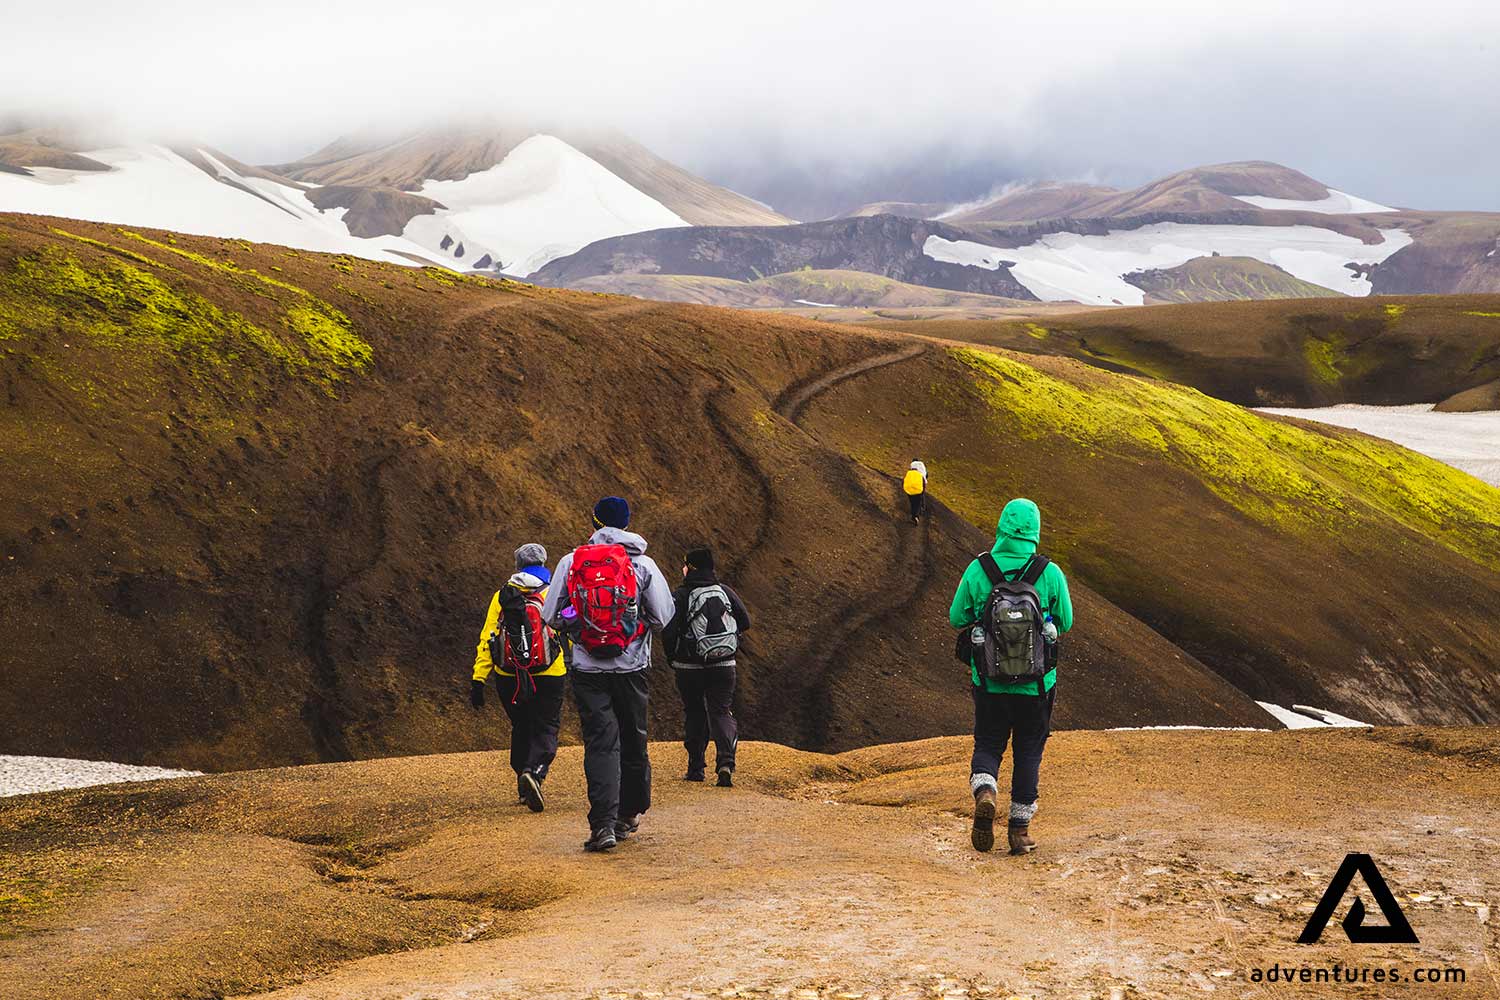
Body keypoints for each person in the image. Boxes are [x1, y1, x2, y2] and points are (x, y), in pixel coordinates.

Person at [543, 496, 674, 853]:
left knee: (601, 743)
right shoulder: (643, 564)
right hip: (632, 667)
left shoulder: (572, 562)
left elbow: (551, 616)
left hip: (588, 669)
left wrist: (580, 628)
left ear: (595, 522)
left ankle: (602, 825)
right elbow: (663, 617)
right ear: (627, 524)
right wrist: (633, 627)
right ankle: (627, 815)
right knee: (633, 739)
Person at [949, 498, 1073, 855]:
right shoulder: (1049, 572)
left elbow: (957, 617)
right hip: (1037, 686)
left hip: (989, 681)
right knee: (1029, 751)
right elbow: (1066, 621)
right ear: (1035, 530)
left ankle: (986, 791)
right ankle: (1019, 832)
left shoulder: (980, 569)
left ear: (1002, 525)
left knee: (989, 743)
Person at [469, 543, 566, 813]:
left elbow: (488, 637)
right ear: (543, 563)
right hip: (549, 672)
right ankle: (534, 772)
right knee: (546, 726)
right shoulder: (552, 592)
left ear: (518, 565)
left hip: (509, 675)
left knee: (521, 725)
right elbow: (565, 626)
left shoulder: (502, 595)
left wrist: (479, 678)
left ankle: (522, 783)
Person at [663, 546, 751, 787]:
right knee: (721, 711)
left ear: (690, 568)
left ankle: (696, 768)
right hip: (723, 663)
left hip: (688, 666)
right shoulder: (725, 591)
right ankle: (725, 763)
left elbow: (668, 631)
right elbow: (745, 621)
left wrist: (672, 657)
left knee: (694, 711)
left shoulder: (680, 595)